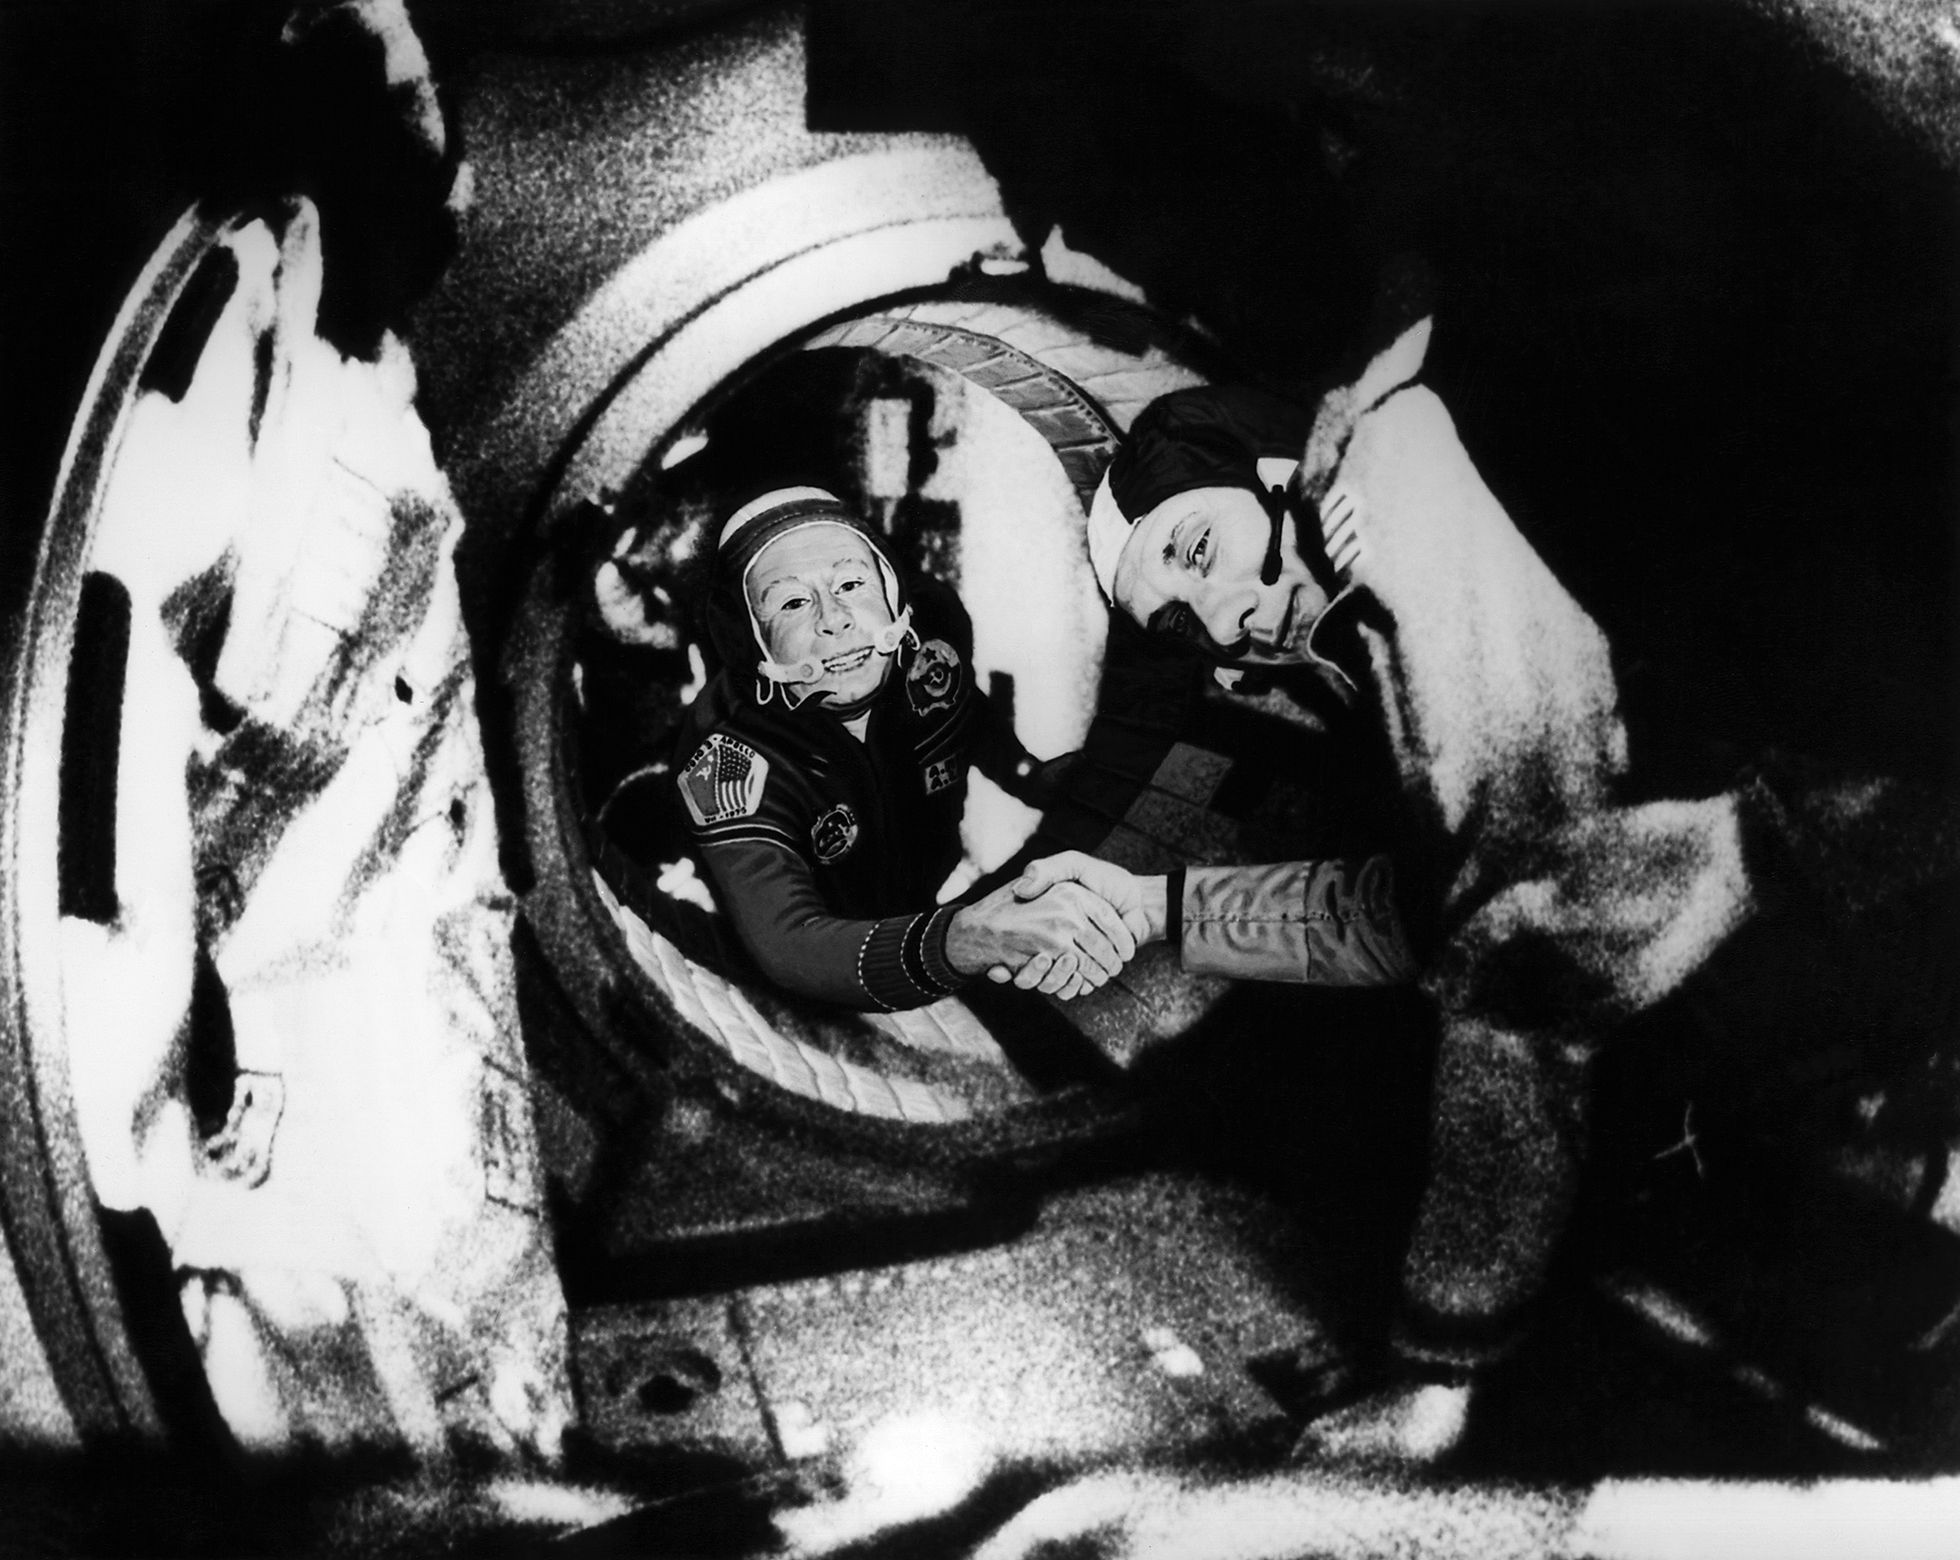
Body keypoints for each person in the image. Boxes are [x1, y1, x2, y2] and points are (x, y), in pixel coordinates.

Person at [1012, 314, 1960, 1463]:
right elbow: (1417, 890)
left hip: (1864, 795)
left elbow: (1521, 864)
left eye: (1198, 550)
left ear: (1269, 473)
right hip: (1840, 774)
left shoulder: (1394, 477)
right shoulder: (1347, 561)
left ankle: (1447, 1379)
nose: (1223, 619)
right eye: (1178, 619)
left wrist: (1438, 1351)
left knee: (1518, 969)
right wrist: (1169, 911)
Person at [673, 486, 1140, 1012]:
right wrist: (963, 940)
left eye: (851, 584)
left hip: (927, 889)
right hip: (838, 957)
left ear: (890, 590)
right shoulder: (727, 763)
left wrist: (1032, 776)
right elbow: (787, 941)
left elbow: (970, 722)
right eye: (793, 602)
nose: (835, 619)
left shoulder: (930, 651)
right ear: (748, 636)